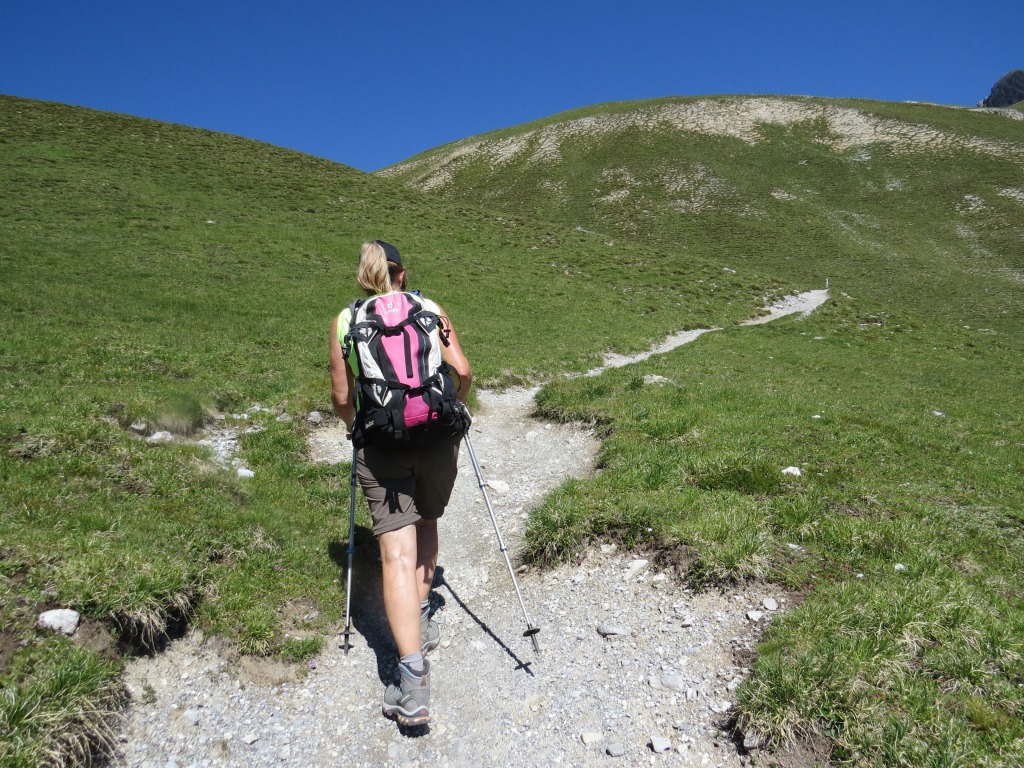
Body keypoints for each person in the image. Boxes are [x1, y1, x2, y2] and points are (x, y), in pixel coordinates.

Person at [329, 240, 472, 726]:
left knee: (395, 554)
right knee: (428, 521)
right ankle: (423, 616)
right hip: (436, 437)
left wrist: (356, 428)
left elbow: (341, 396)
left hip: (381, 446)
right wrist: (455, 406)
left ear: (363, 276)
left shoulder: (346, 321)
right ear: (402, 274)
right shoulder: (430, 308)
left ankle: (411, 683)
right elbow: (463, 370)